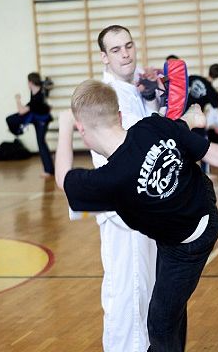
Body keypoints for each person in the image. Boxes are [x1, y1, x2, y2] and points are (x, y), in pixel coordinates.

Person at [55, 80, 218, 352]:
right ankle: (192, 118)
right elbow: (217, 154)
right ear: (120, 116)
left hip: (188, 244)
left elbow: (63, 179)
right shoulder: (151, 126)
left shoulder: (108, 181)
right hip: (196, 205)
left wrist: (64, 127)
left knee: (159, 323)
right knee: (170, 306)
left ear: (82, 130)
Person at [91, 24, 162, 352]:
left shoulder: (134, 87)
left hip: (143, 205)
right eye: (116, 50)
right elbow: (140, 143)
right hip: (122, 209)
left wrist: (156, 95)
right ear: (104, 57)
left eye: (128, 46)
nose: (125, 54)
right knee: (127, 292)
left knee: (145, 288)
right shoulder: (108, 95)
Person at [9, 72, 54, 177]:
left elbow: (21, 111)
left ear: (30, 82)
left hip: (42, 121)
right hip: (37, 119)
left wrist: (18, 100)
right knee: (12, 119)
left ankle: (49, 170)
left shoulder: (37, 97)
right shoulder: (36, 90)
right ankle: (49, 169)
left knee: (41, 143)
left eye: (27, 82)